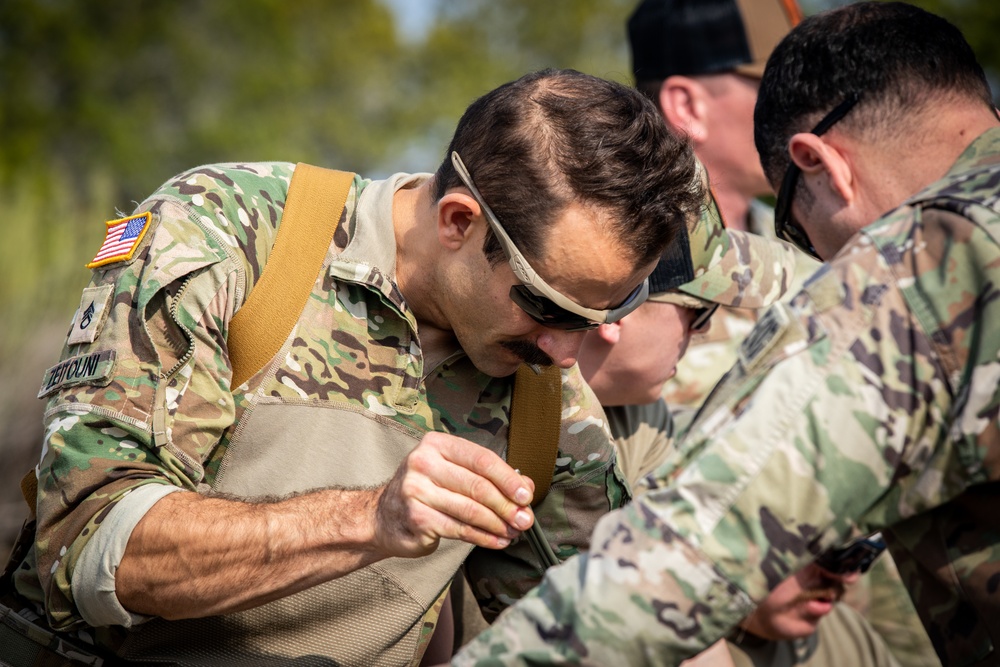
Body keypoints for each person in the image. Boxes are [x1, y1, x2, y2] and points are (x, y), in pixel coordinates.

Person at [0, 69, 706, 665]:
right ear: (459, 222)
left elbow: (597, 633)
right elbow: (87, 545)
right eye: (545, 306)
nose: (566, 352)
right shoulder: (233, 235)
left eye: (596, 315)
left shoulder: (549, 403)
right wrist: (368, 519)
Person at [453, 3, 1000, 665]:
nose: (823, 263)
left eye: (800, 229)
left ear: (822, 163)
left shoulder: (917, 271)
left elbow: (689, 553)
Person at [629, 3, 938, 664]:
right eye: (770, 89)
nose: (807, 108)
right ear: (686, 104)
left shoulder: (840, 243)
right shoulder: (618, 280)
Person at [577, 190, 897, 667]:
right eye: (697, 312)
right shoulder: (469, 401)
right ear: (618, 306)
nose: (703, 332)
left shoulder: (639, 415)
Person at [628, 0, 821, 424]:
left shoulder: (817, 251)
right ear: (688, 106)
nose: (811, 114)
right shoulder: (613, 269)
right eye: (781, 90)